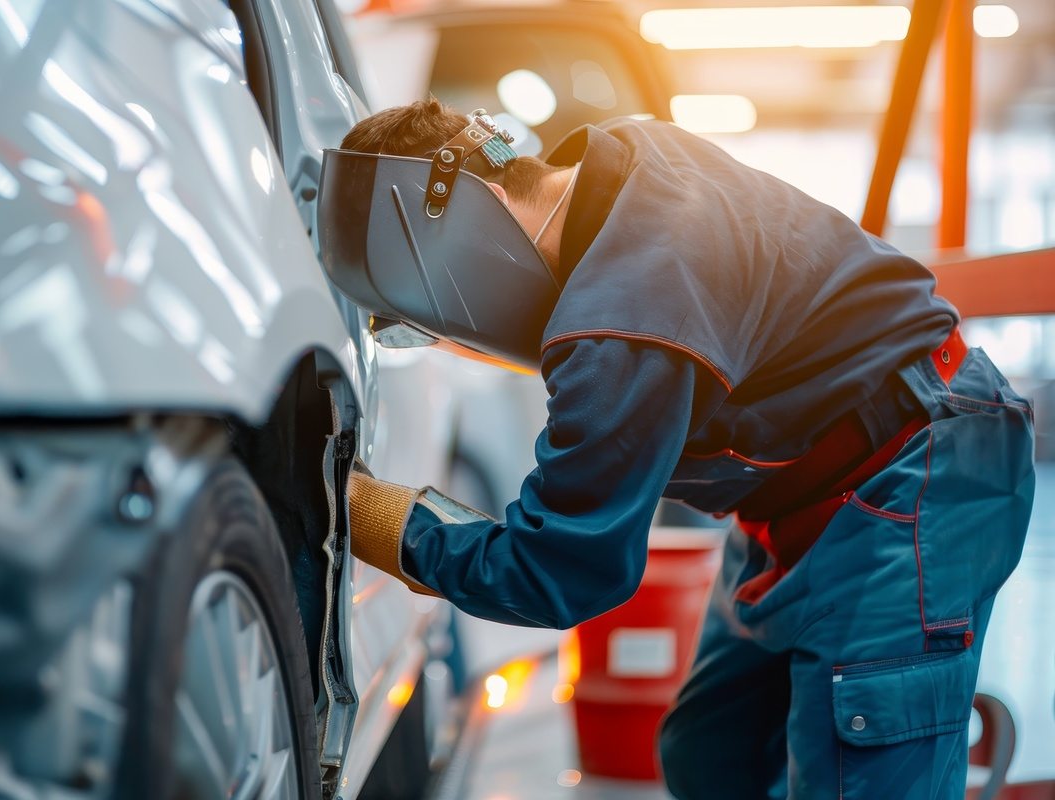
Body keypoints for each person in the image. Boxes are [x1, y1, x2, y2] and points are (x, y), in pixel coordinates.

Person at [317, 100, 1035, 798]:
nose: (452, 337)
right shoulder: (631, 153)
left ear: (457, 234)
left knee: (858, 767)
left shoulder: (622, 317)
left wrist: (372, 514)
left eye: (428, 314)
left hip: (916, 470)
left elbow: (558, 570)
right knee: (708, 751)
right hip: (807, 485)